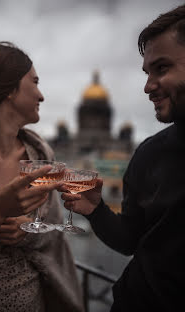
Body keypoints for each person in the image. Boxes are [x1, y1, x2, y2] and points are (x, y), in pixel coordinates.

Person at [61, 4, 185, 311]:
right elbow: (131, 239)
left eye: (162, 68)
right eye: (147, 72)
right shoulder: (149, 153)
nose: (147, 87)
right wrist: (97, 210)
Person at [0, 41, 84, 312]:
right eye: (34, 82)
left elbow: (56, 231)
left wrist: (30, 232)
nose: (41, 95)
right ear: (10, 89)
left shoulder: (40, 153)